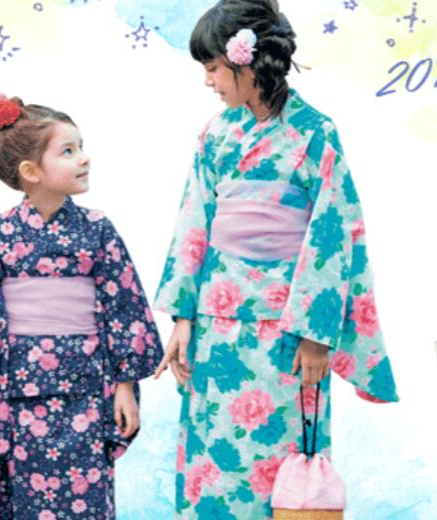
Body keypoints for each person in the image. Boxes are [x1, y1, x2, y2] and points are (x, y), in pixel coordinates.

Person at [153, 1, 398, 518]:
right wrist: (182, 318)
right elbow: (194, 220)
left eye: (213, 68)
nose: (208, 81)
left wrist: (316, 333)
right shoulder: (216, 134)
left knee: (283, 467)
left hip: (287, 330)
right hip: (216, 326)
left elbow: (334, 233)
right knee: (213, 462)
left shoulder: (314, 132)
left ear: (248, 61)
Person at [0, 94, 163, 520]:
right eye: (68, 151)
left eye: (81, 147)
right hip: (17, 396)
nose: (84, 158)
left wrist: (125, 385)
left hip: (88, 392)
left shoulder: (97, 230)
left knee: (88, 498)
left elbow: (125, 307)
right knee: (21, 501)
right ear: (31, 171)